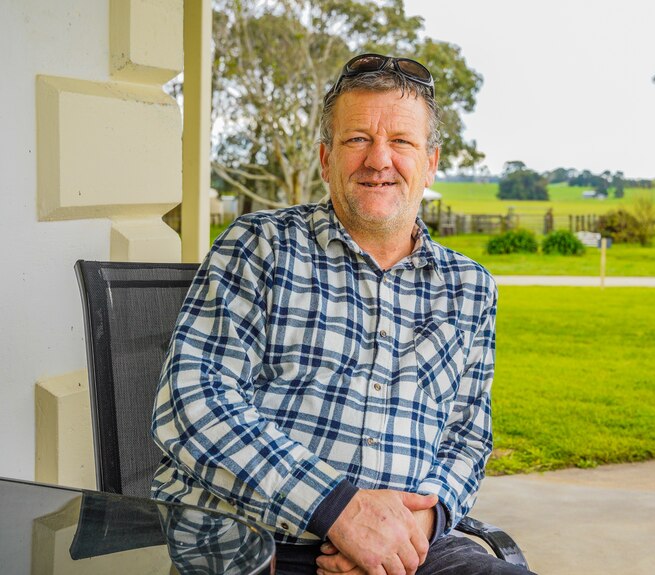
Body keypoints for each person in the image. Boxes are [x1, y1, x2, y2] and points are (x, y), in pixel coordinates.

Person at [151, 53, 533, 575]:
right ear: (327, 158)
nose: (379, 159)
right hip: (253, 544)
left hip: (413, 553)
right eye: (358, 140)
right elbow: (193, 402)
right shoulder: (259, 247)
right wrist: (340, 513)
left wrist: (412, 531)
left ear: (431, 162)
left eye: (401, 141)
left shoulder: (470, 288)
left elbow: (467, 438)